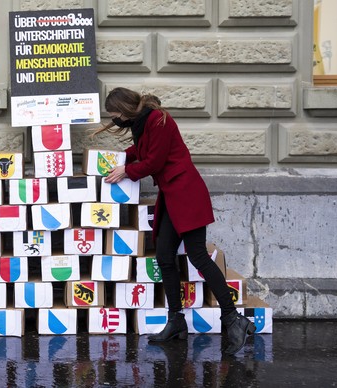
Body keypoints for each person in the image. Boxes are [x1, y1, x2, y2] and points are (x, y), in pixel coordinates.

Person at [95, 87, 256, 356]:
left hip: (186, 194)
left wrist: (126, 169)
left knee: (198, 256)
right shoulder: (145, 124)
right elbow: (141, 150)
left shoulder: (158, 120)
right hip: (172, 196)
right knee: (165, 256)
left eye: (115, 115)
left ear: (124, 110)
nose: (115, 120)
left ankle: (233, 318)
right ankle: (177, 321)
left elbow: (154, 162)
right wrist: (118, 158)